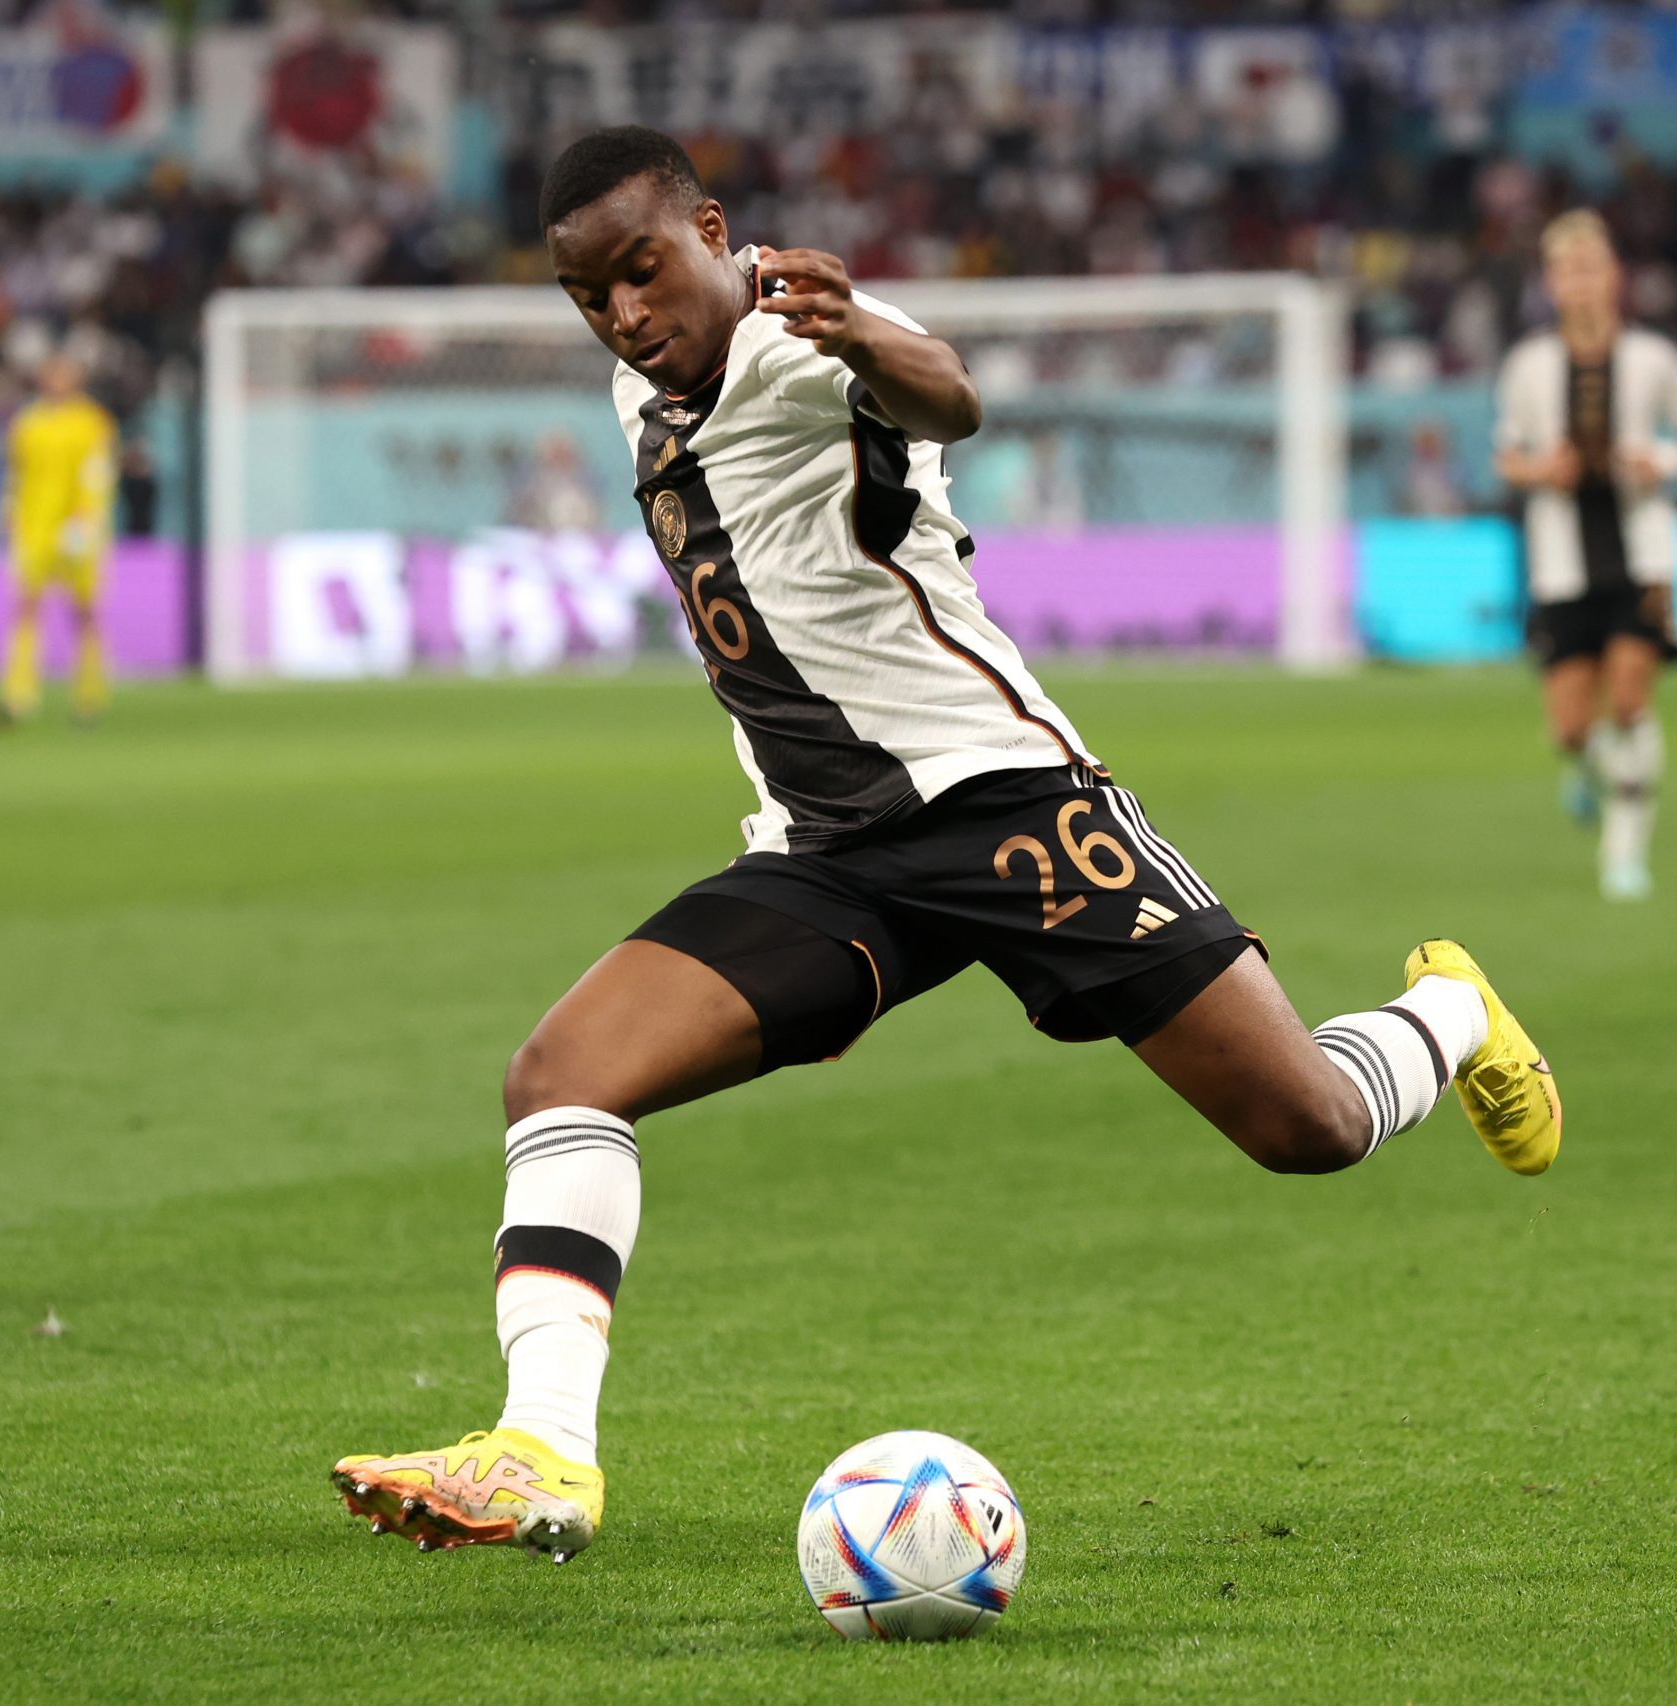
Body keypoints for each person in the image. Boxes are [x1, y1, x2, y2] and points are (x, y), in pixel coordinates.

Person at [330, 128, 1567, 1563]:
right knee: (561, 1072)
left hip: (1006, 808)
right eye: (589, 292)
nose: (624, 312)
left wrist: (863, 329)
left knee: (1309, 1127)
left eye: (645, 269)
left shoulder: (818, 345)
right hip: (830, 856)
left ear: (715, 232)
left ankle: (1450, 1008)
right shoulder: (640, 391)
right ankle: (542, 1449)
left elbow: (949, 395)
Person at [1494, 211, 1677, 901]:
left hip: (1644, 554)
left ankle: (1624, 857)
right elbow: (1507, 459)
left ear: (1615, 278)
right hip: (1562, 559)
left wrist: (1665, 458)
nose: (1582, 284)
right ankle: (1588, 768)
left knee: (1628, 699)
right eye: (1568, 271)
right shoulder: (1529, 365)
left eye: (1592, 268)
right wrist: (1542, 471)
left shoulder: (1653, 358)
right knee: (1570, 727)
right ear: (1552, 284)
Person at [0, 354, 116, 727]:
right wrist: (9, 508)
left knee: (84, 614)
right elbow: (17, 473)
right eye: (50, 374)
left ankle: (89, 697)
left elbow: (97, 476)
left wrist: (84, 525)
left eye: (63, 374)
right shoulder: (27, 423)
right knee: (26, 608)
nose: (55, 381)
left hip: (78, 530)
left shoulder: (92, 422)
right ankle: (18, 698)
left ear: (75, 379)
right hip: (34, 531)